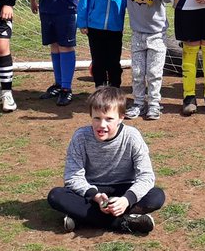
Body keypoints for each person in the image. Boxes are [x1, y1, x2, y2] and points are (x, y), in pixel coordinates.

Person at [47, 86, 165, 234]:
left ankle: (81, 218)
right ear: (90, 115)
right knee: (56, 195)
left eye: (109, 119)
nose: (102, 125)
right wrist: (95, 196)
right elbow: (72, 177)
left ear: (121, 117)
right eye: (97, 118)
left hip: (124, 189)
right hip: (93, 192)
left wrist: (126, 200)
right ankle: (124, 222)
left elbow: (146, 176)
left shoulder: (132, 136)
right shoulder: (81, 137)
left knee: (156, 196)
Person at [97, 0, 175, 120]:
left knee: (154, 72)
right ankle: (139, 103)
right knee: (138, 72)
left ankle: (154, 104)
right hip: (138, 36)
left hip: (157, 37)